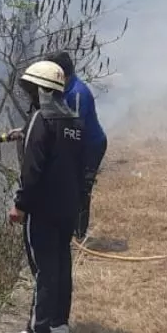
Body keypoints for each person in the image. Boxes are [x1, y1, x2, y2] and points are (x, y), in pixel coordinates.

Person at [2, 60, 85, 333]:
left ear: (39, 89)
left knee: (43, 270)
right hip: (67, 207)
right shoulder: (73, 118)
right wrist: (25, 132)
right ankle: (59, 326)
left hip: (43, 210)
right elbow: (63, 156)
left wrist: (20, 203)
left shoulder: (41, 118)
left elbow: (33, 167)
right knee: (61, 266)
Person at [46, 51, 107, 241]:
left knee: (81, 188)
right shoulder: (63, 90)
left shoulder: (77, 93)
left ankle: (79, 237)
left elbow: (75, 130)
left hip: (90, 147)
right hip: (77, 144)